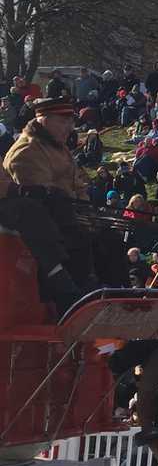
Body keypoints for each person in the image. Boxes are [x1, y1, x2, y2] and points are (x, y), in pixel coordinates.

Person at [1, 96, 94, 308]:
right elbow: (43, 197)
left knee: (104, 233)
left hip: (66, 213)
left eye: (70, 121)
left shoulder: (58, 147)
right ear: (43, 119)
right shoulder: (27, 151)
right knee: (33, 209)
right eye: (63, 121)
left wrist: (86, 210)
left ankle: (113, 294)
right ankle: (64, 288)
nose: (69, 128)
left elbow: (79, 185)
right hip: (43, 218)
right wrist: (20, 189)